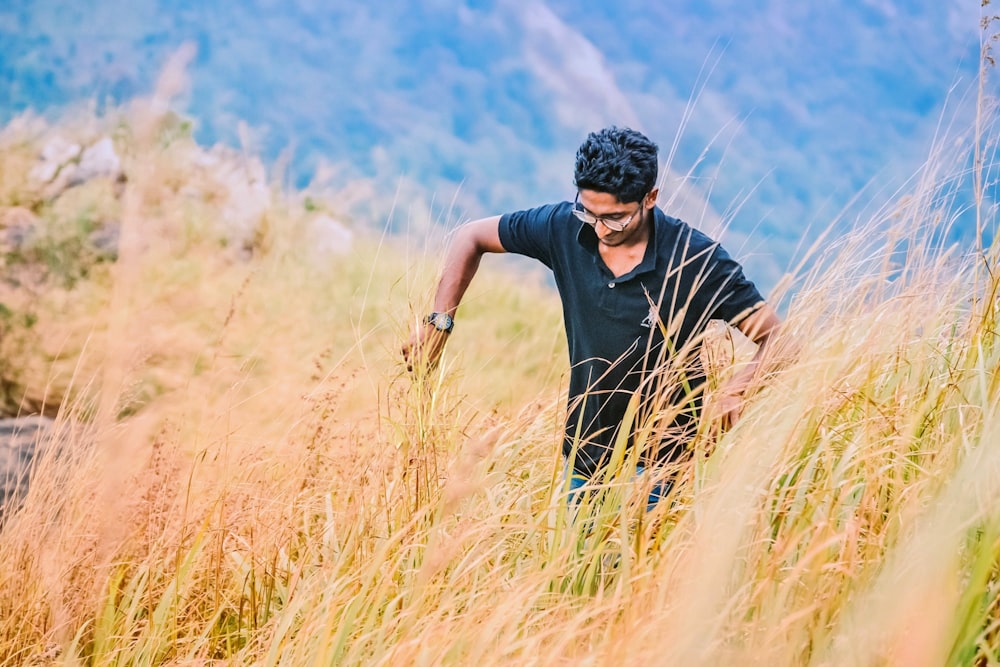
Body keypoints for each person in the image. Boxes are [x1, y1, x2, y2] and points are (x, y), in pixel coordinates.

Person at [403, 127, 781, 508]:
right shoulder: (564, 226)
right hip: (583, 461)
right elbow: (470, 236)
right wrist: (439, 325)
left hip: (662, 471)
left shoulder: (697, 260)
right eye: (590, 213)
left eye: (615, 219)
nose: (600, 229)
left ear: (650, 198)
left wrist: (737, 390)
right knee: (576, 566)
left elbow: (779, 341)